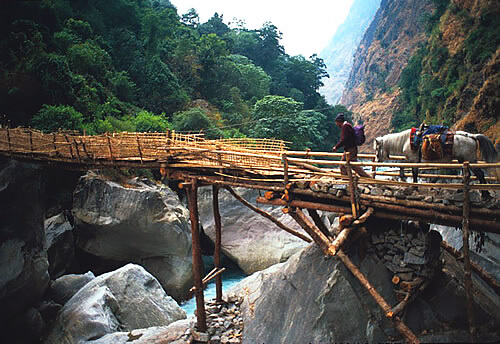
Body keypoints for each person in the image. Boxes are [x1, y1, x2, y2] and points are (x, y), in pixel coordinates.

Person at [332, 113, 373, 178]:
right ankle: (347, 179)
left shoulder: (346, 126)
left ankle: (367, 178)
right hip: (349, 149)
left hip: (350, 150)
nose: (336, 124)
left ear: (339, 121)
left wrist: (336, 147)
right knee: (346, 165)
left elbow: (344, 139)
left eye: (337, 122)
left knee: (351, 166)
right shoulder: (347, 126)